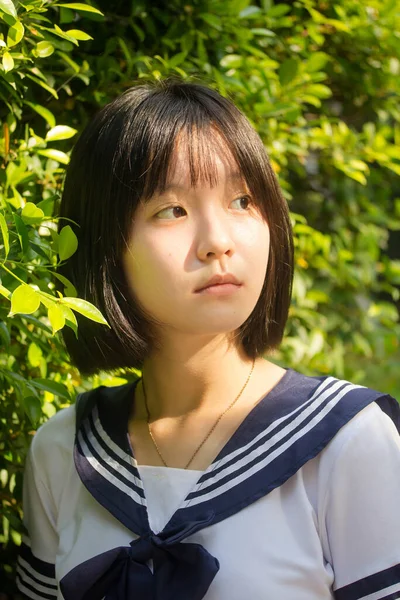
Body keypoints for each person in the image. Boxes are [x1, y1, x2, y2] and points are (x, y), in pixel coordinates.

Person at [16, 79, 400, 600]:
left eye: (242, 200)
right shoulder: (64, 452)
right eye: (171, 210)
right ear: (106, 247)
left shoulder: (347, 443)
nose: (218, 242)